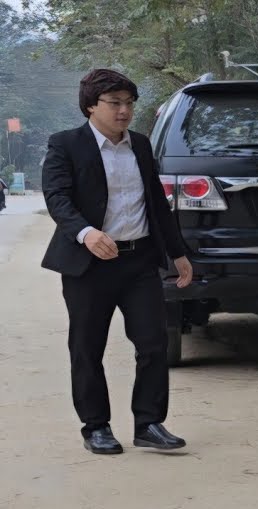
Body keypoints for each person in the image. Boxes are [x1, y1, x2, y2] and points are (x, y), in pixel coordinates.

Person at [42, 68, 193, 455]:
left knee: (153, 343)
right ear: (91, 106)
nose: (123, 111)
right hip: (89, 264)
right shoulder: (65, 145)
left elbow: (157, 205)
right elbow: (58, 198)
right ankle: (96, 426)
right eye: (114, 103)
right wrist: (86, 233)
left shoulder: (140, 146)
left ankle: (149, 423)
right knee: (87, 346)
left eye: (129, 103)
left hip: (139, 260)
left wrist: (177, 253)